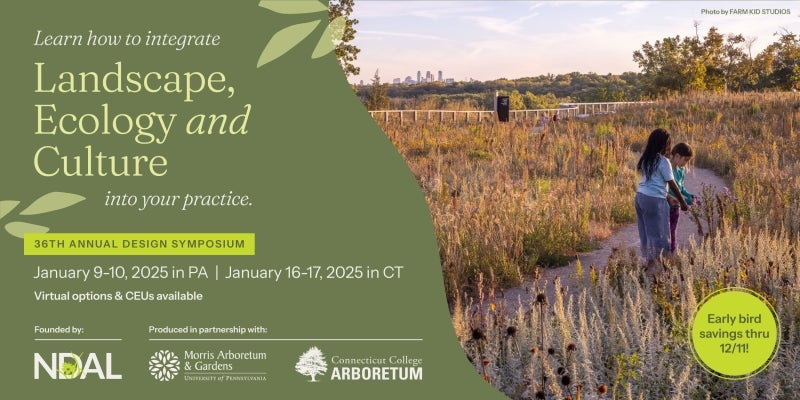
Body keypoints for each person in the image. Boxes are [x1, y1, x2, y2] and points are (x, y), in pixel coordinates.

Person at [635, 128, 688, 268]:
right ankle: (656, 266)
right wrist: (683, 202)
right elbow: (672, 184)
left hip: (640, 197)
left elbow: (651, 184)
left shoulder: (646, 159)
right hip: (654, 201)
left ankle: (647, 260)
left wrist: (667, 196)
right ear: (665, 144)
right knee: (660, 233)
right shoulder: (663, 161)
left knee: (645, 231)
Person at [666, 143, 695, 253]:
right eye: (685, 160)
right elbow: (670, 190)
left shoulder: (681, 170)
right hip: (666, 205)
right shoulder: (667, 169)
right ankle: (661, 253)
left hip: (676, 206)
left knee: (673, 230)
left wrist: (689, 195)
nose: (686, 163)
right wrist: (686, 201)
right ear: (677, 156)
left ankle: (672, 253)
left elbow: (681, 188)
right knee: (665, 231)